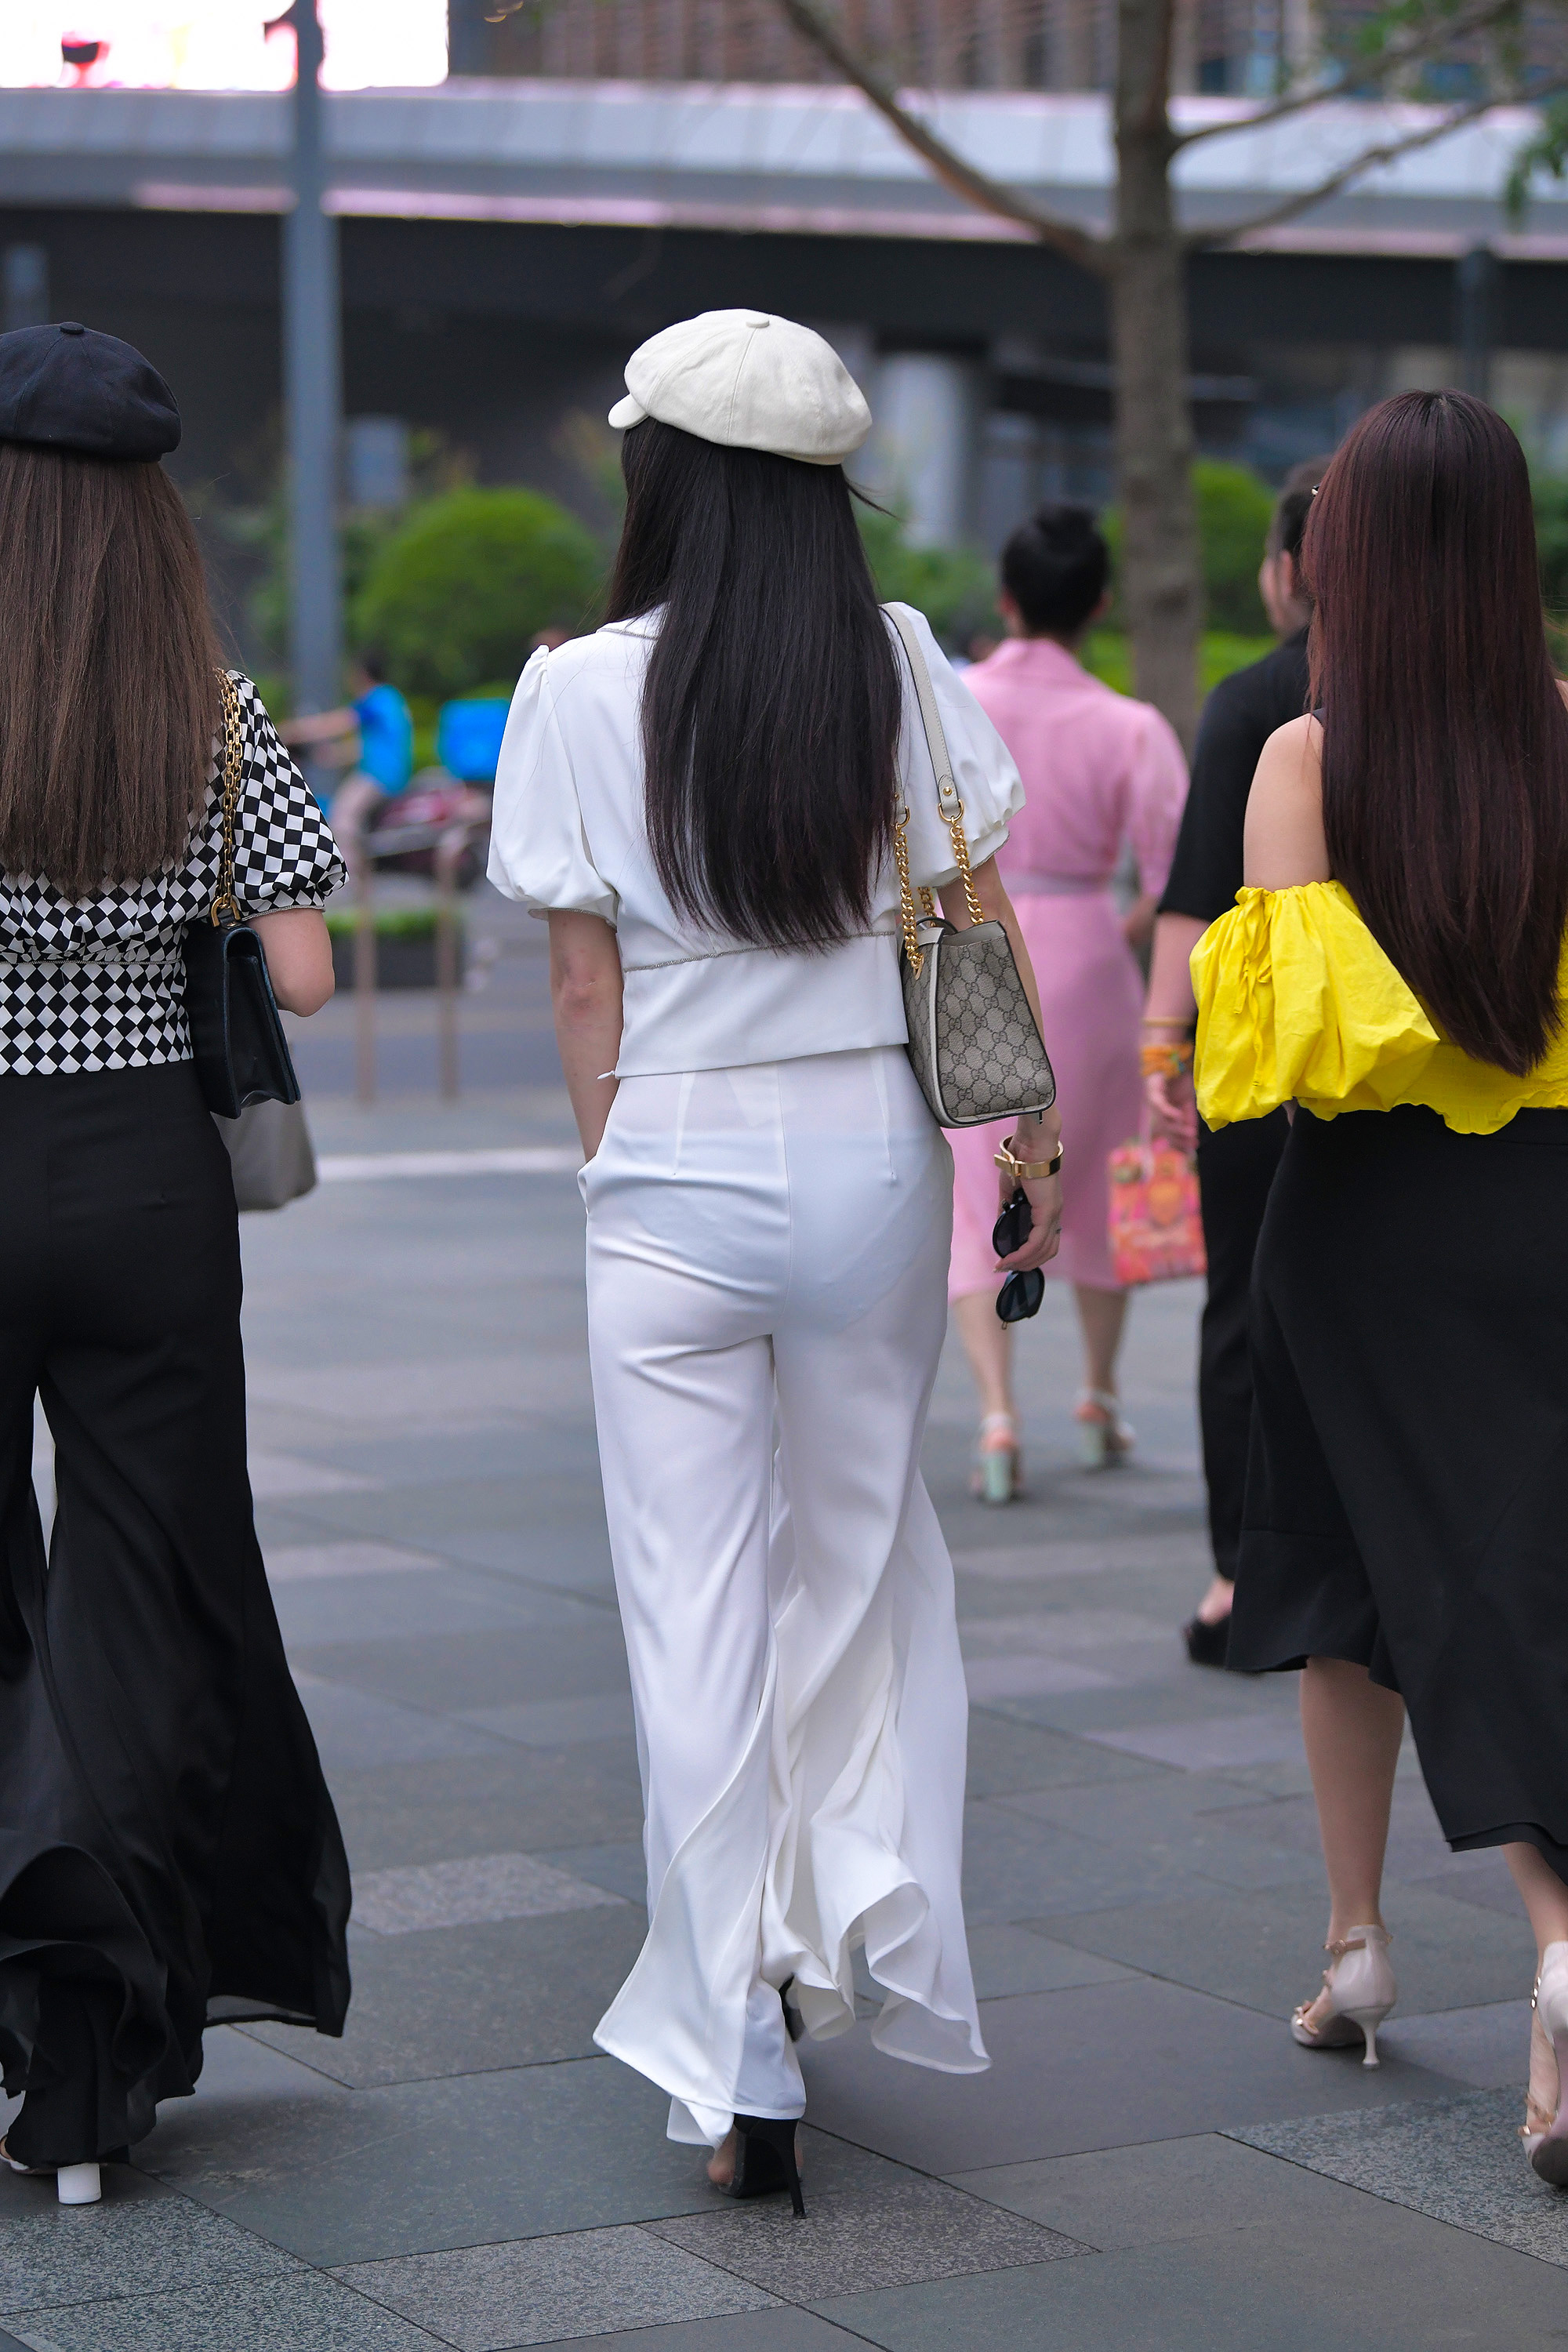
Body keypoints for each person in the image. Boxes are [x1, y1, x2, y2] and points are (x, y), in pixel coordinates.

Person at [488, 308, 1062, 2210]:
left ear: (657, 476)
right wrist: (1028, 1135)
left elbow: (581, 984)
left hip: (669, 1154)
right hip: (868, 1157)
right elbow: (970, 915)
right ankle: (822, 1930)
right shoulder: (893, 661)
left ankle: (734, 2039)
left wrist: (621, 1165)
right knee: (849, 1569)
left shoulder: (574, 687)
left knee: (691, 1608)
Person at [1192, 390, 1568, 2180]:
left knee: (1354, 1574)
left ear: (1340, 555)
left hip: (1359, 1227)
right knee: (1490, 1563)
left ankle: (1447, 1938)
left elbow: (1290, 1052)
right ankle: (1392, 1954)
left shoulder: (1304, 757)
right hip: (1544, 1204)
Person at [0, 322, 351, 2206]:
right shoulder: (206, 709)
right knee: (140, 1593)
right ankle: (94, 2063)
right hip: (144, 1177)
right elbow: (302, 971)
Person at [948, 506, 1186, 1497]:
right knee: (1093, 1186)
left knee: (974, 1194)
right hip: (1089, 957)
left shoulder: (952, 702)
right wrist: (1113, 933)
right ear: (1099, 604)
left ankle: (996, 1418)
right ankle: (1095, 1394)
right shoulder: (1131, 726)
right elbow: (1171, 876)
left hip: (973, 954)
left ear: (1005, 598)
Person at [1144, 457, 1328, 1662]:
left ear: (1288, 571)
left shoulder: (1254, 699)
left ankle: (1238, 1575)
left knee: (1244, 1311)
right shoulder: (1497, 690)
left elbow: (1197, 894)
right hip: (1435, 1071)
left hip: (1259, 1062)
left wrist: (1163, 1044)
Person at [282, 651, 414, 858]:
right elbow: (369, 746)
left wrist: (293, 731)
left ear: (363, 675)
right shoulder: (391, 699)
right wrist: (333, 756)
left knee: (342, 818)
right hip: (389, 773)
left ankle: (351, 873)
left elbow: (339, 723)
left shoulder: (376, 700)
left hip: (379, 775)